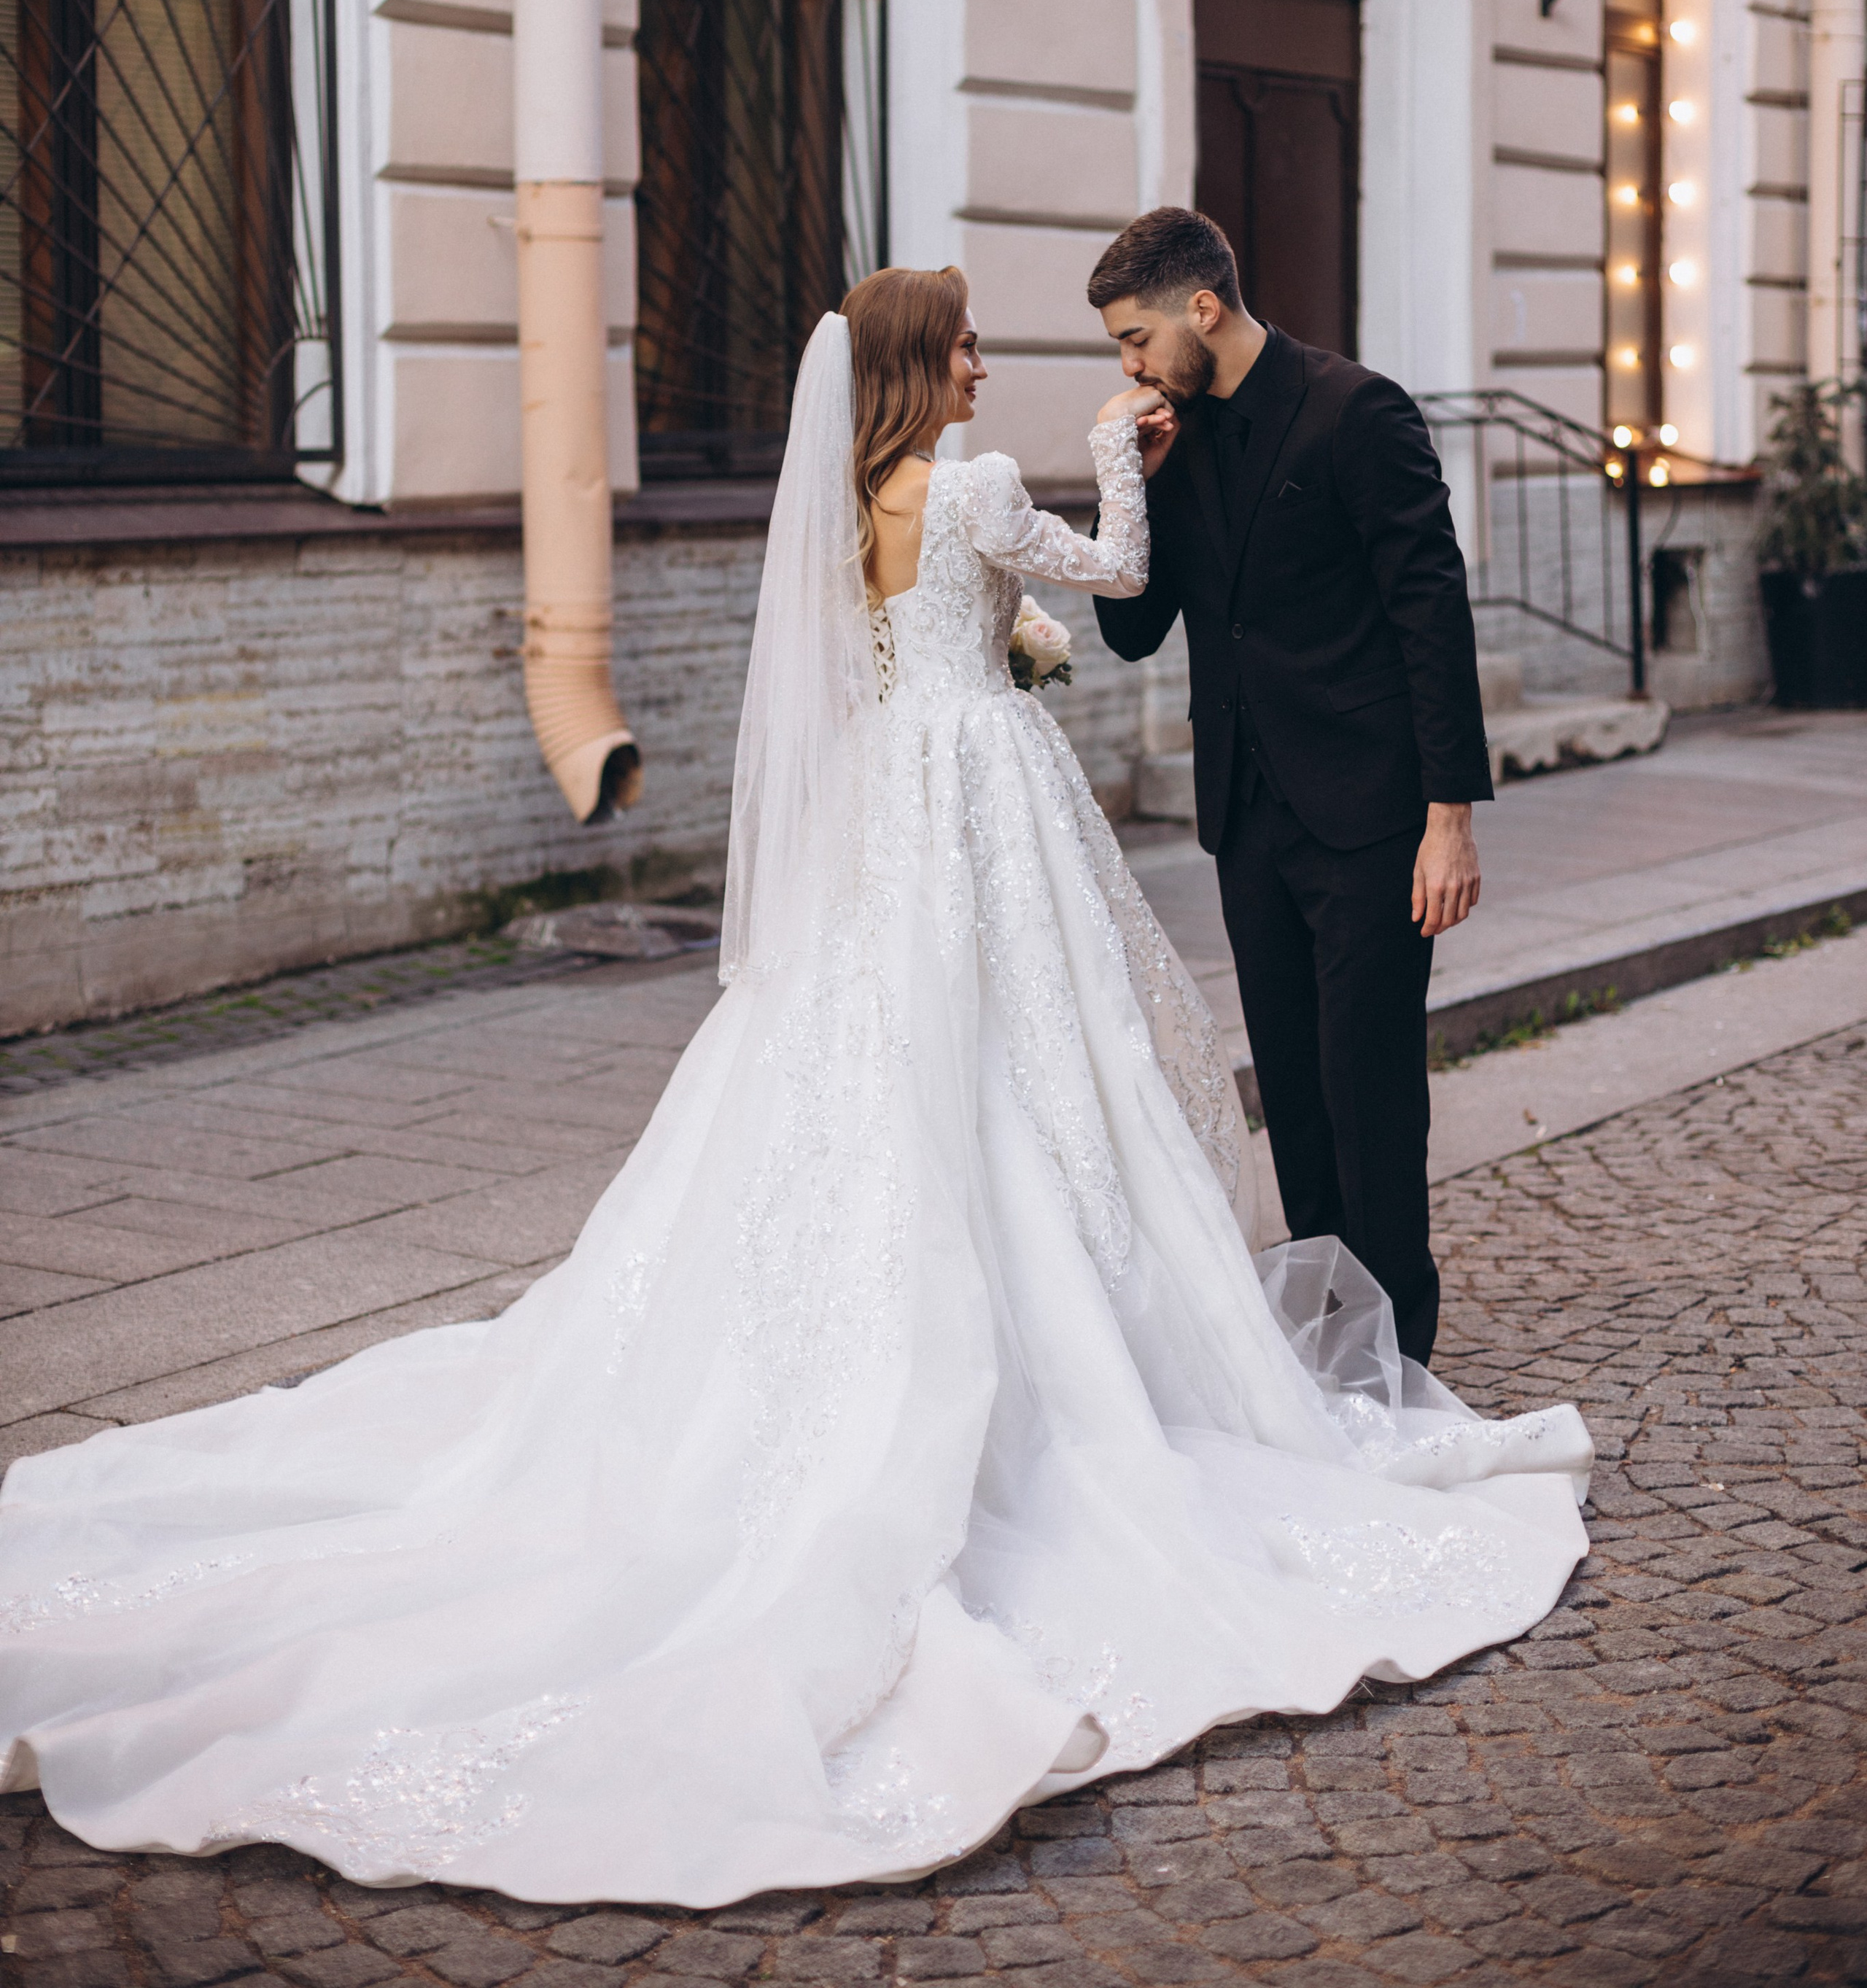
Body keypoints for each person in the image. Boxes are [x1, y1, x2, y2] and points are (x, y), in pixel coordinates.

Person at [0, 266, 1586, 1914]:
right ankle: (1123, 1371)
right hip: (981, 809)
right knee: (1034, 1084)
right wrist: (1120, 452)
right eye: (967, 340)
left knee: (909, 1078)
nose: (991, 359)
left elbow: (902, 659)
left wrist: (1011, 636)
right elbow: (1113, 573)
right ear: (921, 363)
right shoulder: (970, 482)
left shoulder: (848, 499)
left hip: (900, 819)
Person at [1087, 208, 1495, 1367]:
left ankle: (1399, 1361)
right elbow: (1134, 631)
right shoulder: (1176, 435)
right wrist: (1131, 477)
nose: (1128, 366)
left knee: (1371, 1094)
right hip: (1250, 821)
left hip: (1371, 817)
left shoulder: (1358, 411)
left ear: (1200, 308)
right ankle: (1329, 1341)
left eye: (1134, 338)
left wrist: (1448, 818)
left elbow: (1432, 611)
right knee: (1297, 1097)